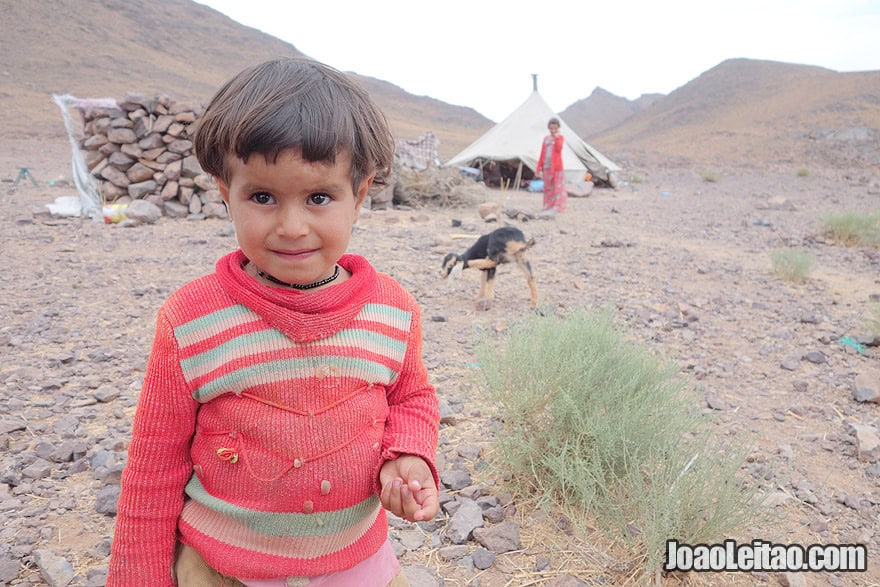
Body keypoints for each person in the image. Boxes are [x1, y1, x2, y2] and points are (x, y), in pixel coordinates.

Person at [106, 58, 440, 587]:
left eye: (319, 197)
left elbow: (412, 397)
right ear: (224, 191)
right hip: (221, 568)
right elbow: (154, 467)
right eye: (262, 197)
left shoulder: (392, 311)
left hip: (353, 565)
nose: (291, 226)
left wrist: (409, 455)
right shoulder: (191, 320)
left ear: (361, 193)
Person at [534, 117, 567, 216]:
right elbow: (542, 153)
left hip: (556, 168)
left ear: (558, 128)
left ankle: (558, 205)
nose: (553, 131)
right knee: (547, 187)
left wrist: (557, 138)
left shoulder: (560, 138)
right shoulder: (546, 139)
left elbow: (559, 148)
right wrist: (539, 167)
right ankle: (547, 204)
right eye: (551, 128)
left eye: (555, 128)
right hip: (547, 167)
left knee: (557, 187)